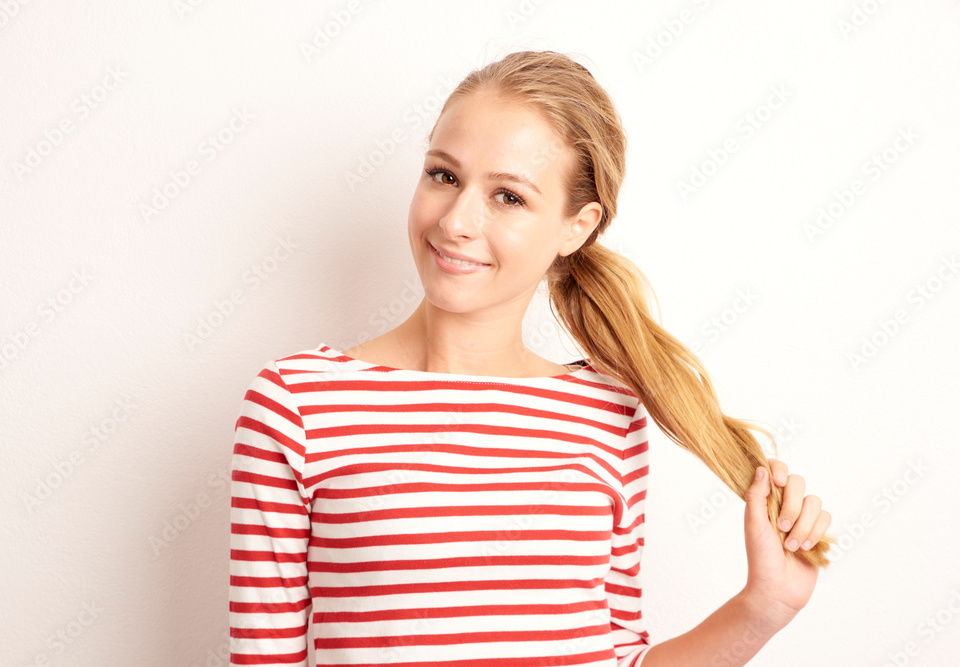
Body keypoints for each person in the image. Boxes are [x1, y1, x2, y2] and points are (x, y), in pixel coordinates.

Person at [228, 50, 833, 667]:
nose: (457, 221)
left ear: (577, 226)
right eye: (444, 175)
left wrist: (764, 608)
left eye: (509, 197)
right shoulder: (298, 405)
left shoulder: (606, 413)